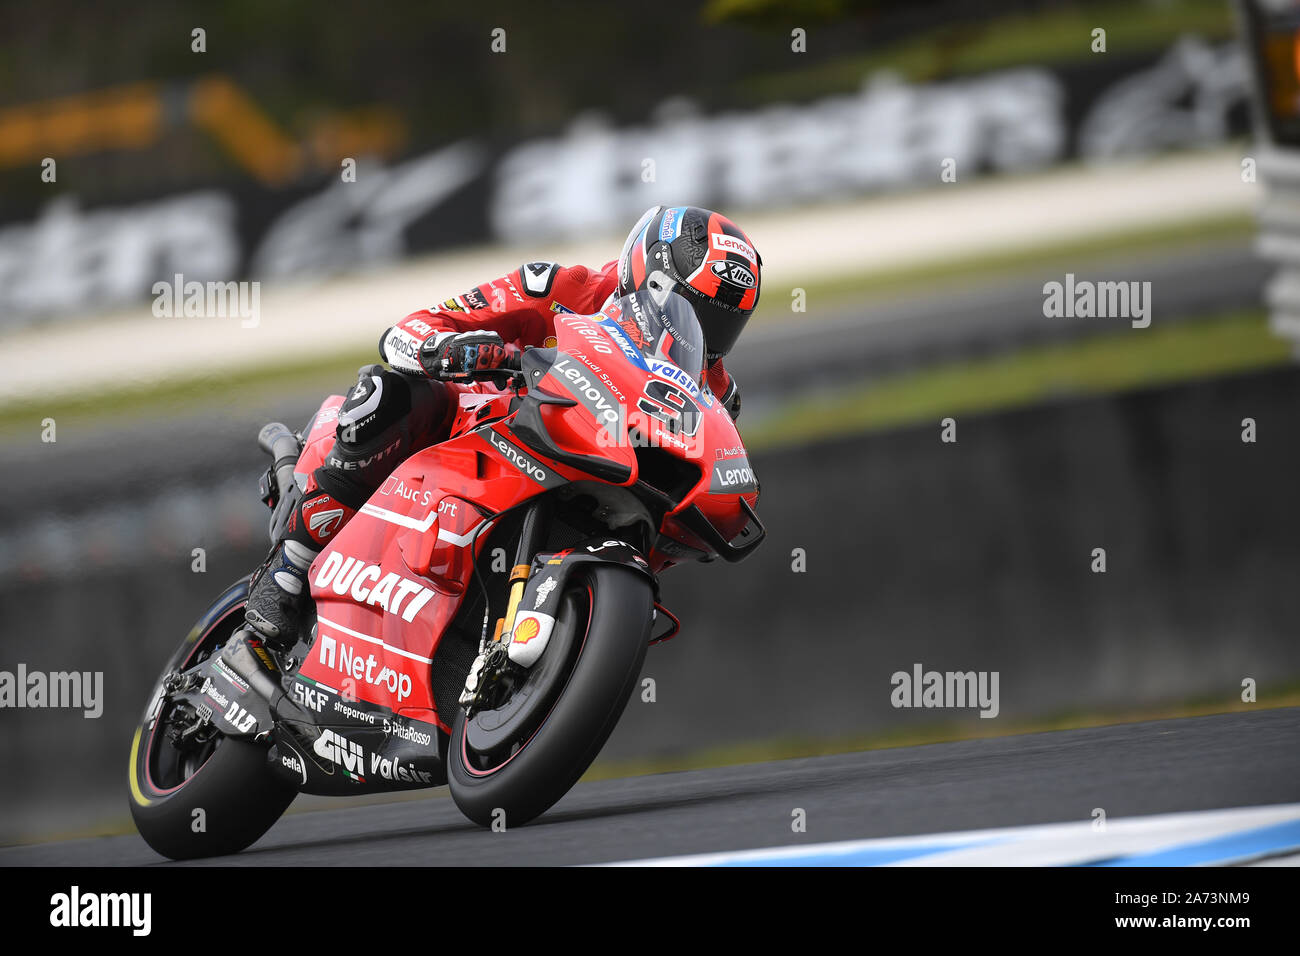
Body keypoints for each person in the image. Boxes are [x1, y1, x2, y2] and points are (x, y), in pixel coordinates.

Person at [240, 205, 762, 655]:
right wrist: (447, 349)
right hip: (481, 431)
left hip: (597, 481)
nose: (701, 330)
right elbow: (411, 329)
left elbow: (699, 477)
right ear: (645, 272)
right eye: (690, 306)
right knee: (390, 392)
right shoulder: (560, 289)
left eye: (721, 322)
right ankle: (288, 570)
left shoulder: (714, 392)